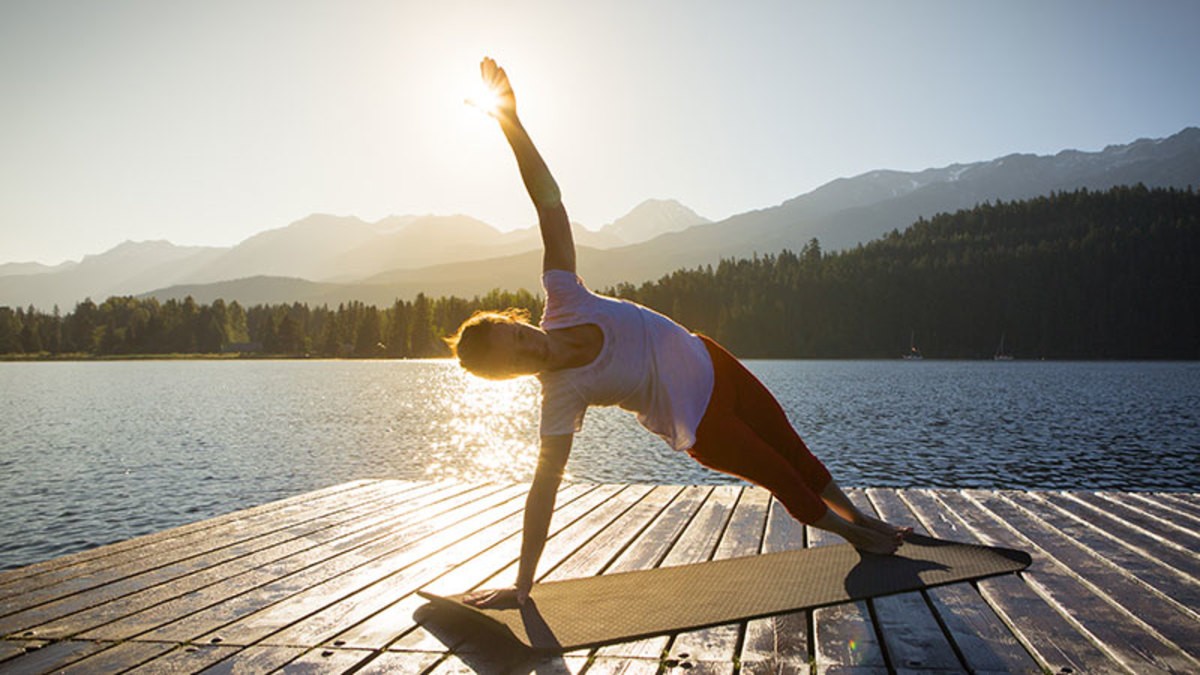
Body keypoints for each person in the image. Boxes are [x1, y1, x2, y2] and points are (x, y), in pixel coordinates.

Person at [449, 57, 910, 608]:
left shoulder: (564, 298)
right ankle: (859, 539)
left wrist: (511, 123)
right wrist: (523, 584)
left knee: (796, 453)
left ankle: (860, 519)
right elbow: (542, 490)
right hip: (701, 422)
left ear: (517, 321)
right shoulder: (561, 396)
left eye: (517, 335)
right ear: (510, 376)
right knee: (782, 479)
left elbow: (549, 203)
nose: (530, 348)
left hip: (715, 361)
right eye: (516, 359)